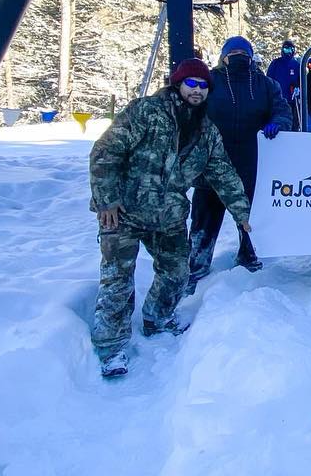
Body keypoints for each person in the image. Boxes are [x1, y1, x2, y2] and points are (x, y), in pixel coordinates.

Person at [88, 58, 251, 378]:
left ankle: (157, 318)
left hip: (169, 215)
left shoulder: (206, 131)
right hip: (124, 212)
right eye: (191, 83)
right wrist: (107, 200)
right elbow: (105, 152)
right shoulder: (146, 112)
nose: (198, 90)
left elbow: (222, 173)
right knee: (117, 280)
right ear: (177, 83)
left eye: (204, 86)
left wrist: (241, 212)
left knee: (177, 272)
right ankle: (111, 346)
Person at [189, 36, 291, 283]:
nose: (237, 57)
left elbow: (282, 110)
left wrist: (278, 123)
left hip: (251, 165)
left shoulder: (265, 85)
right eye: (232, 52)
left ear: (250, 56)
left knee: (250, 220)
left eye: (242, 53)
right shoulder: (209, 83)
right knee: (204, 220)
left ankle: (249, 258)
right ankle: (196, 265)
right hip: (211, 167)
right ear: (223, 56)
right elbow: (189, 110)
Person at [266, 39, 302, 115]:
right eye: (286, 49)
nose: (289, 52)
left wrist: (297, 86)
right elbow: (268, 80)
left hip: (292, 99)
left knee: (292, 121)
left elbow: (301, 80)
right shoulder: (275, 63)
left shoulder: (296, 65)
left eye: (291, 50)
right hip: (278, 99)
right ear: (282, 50)